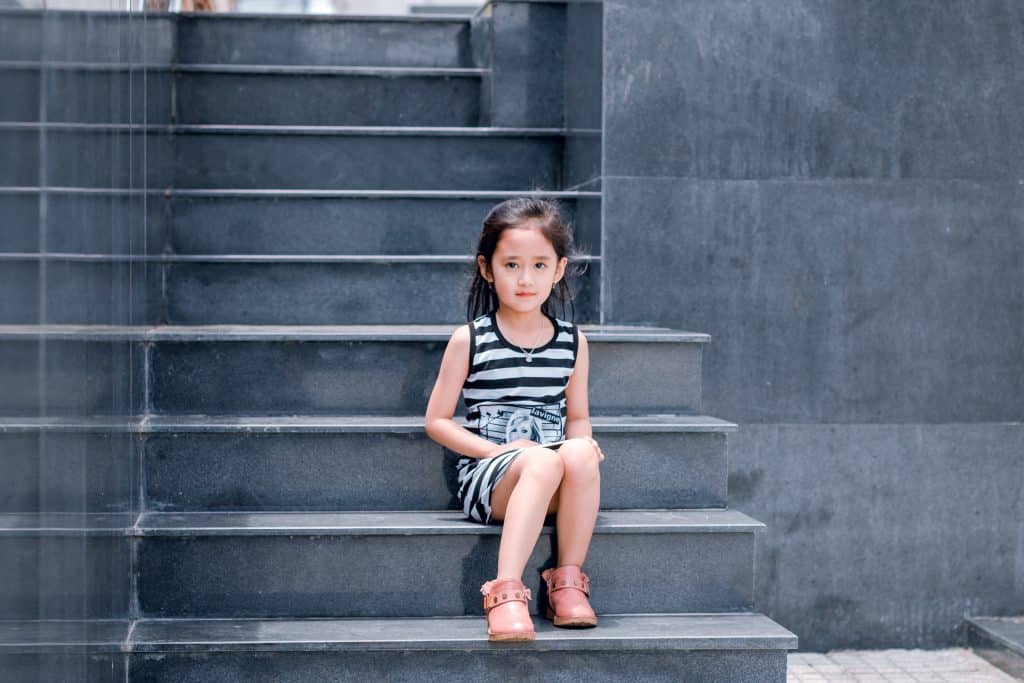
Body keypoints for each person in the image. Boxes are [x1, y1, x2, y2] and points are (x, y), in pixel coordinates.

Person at [424, 196, 606, 642]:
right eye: (512, 266)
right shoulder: (471, 339)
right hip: (493, 478)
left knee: (578, 452)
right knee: (542, 461)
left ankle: (566, 581)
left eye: (540, 266)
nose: (526, 279)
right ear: (488, 269)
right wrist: (500, 450)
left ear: (559, 269)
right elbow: (437, 421)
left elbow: (577, 416)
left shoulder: (571, 342)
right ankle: (506, 592)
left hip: (551, 470)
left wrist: (583, 445)